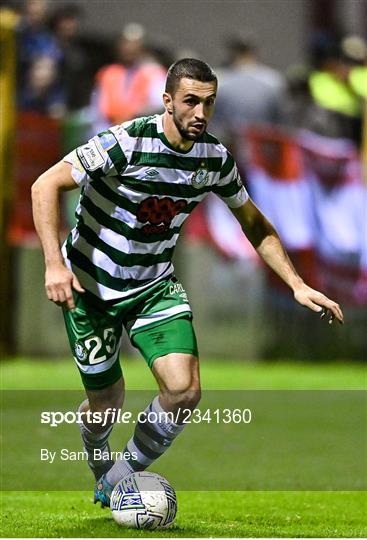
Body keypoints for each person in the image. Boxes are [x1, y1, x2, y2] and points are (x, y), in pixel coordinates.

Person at [31, 58, 344, 507]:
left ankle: (118, 478)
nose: (201, 113)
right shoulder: (126, 142)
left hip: (153, 286)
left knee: (185, 391)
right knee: (106, 404)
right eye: (191, 102)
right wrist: (53, 266)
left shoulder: (214, 158)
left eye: (209, 103)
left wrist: (296, 284)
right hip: (89, 288)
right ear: (168, 101)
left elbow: (253, 221)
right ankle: (101, 462)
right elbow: (44, 186)